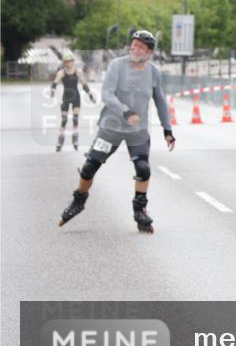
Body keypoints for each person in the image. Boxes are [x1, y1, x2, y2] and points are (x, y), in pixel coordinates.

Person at [58, 30, 176, 233]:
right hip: (111, 128)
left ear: (149, 51)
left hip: (137, 131)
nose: (135, 48)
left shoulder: (154, 72)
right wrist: (125, 111)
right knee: (89, 167)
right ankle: (78, 201)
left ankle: (140, 211)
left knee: (143, 169)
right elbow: (107, 93)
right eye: (134, 44)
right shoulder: (117, 65)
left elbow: (160, 101)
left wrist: (168, 129)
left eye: (140, 46)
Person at [48, 52, 96, 151]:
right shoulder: (61, 72)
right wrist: (52, 92)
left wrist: (90, 95)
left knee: (75, 119)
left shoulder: (78, 72)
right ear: (64, 63)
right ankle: (60, 140)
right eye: (66, 62)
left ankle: (75, 139)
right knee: (64, 120)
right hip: (66, 97)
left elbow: (84, 84)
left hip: (75, 97)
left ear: (73, 62)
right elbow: (55, 83)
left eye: (70, 61)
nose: (68, 64)